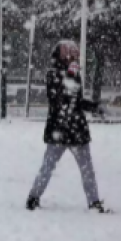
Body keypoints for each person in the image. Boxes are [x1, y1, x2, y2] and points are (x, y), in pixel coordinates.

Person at [26, 40, 108, 214]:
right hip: (61, 130)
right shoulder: (53, 74)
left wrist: (93, 107)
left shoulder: (72, 74)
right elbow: (59, 100)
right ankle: (33, 197)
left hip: (73, 130)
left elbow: (75, 102)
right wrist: (71, 77)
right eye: (68, 53)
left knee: (86, 168)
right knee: (48, 166)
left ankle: (93, 201)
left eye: (73, 53)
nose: (72, 56)